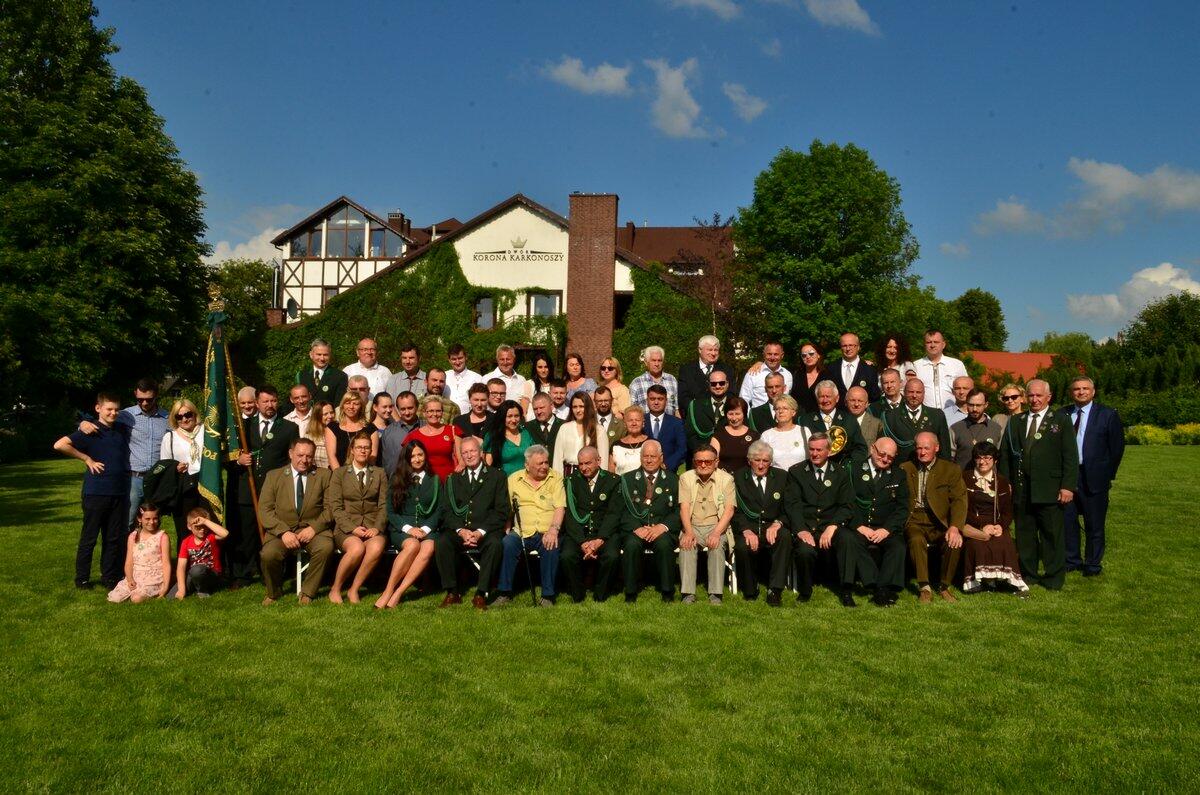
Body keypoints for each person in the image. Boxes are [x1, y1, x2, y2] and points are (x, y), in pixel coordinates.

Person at [998, 379, 1078, 590]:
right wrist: (1006, 483)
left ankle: (1053, 577)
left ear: (1048, 397)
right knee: (1025, 535)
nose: (1034, 399)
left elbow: (1070, 456)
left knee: (1052, 535)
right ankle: (1029, 574)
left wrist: (1067, 486)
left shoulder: (1061, 420)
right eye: (1031, 395)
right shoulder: (1016, 421)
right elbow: (1005, 455)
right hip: (1021, 489)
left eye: (1039, 395)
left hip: (1050, 488)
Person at [55, 391, 132, 589]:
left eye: (116, 410)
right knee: (89, 538)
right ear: (98, 408)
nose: (113, 413)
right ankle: (82, 579)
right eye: (109, 409)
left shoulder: (121, 429)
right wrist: (86, 458)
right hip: (96, 492)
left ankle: (109, 577)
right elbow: (60, 445)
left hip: (119, 492)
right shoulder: (90, 430)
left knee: (113, 538)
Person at [232, 386, 299, 588]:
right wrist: (238, 460)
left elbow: (291, 458)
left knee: (273, 531)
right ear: (257, 403)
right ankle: (244, 574)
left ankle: (271, 570)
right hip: (248, 487)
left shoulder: (289, 427)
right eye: (265, 401)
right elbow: (230, 453)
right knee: (247, 532)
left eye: (273, 401)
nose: (270, 405)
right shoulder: (243, 426)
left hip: (275, 489)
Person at [1059, 375, 1125, 577]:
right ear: (1071, 393)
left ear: (1093, 391)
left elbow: (1116, 448)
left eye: (1085, 388)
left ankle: (1092, 563)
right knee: (1068, 521)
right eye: (1077, 389)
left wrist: (1106, 474)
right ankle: (1072, 560)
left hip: (1095, 477)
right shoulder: (1062, 414)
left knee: (1094, 523)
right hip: (1068, 476)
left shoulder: (1107, 415)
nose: (1081, 392)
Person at [258, 437, 334, 605]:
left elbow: (331, 508)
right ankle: (273, 592)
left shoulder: (324, 475)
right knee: (268, 554)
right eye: (300, 455)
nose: (304, 460)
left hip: (314, 529)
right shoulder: (274, 476)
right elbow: (265, 510)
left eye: (309, 456)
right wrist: (283, 532)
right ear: (291, 453)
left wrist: (314, 528)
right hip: (282, 530)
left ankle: (308, 592)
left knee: (325, 547)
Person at [435, 436, 508, 609]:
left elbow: (501, 511)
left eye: (473, 451)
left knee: (495, 544)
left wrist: (479, 532)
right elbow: (446, 510)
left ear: (481, 452)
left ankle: (481, 593)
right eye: (465, 452)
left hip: (486, 530)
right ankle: (452, 592)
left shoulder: (497, 476)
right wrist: (461, 531)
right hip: (461, 530)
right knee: (442, 541)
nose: (469, 455)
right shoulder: (453, 479)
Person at [784, 433, 854, 604]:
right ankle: (805, 591)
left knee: (848, 539)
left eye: (819, 450)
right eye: (811, 449)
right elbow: (792, 504)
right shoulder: (796, 472)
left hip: (830, 526)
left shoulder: (840, 473)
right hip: (807, 525)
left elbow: (847, 505)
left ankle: (846, 590)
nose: (814, 454)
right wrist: (801, 529)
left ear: (829, 451)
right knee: (805, 551)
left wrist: (833, 526)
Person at [902, 431, 968, 604]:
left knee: (954, 542)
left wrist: (954, 527)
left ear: (937, 448)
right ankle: (924, 587)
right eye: (919, 448)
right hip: (914, 519)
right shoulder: (906, 468)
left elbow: (959, 500)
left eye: (926, 448)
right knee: (916, 540)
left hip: (940, 521)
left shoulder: (950, 469)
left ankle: (944, 586)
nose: (922, 452)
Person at [377, 440, 444, 608]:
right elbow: (391, 511)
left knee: (428, 547)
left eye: (420, 454)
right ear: (406, 459)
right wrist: (409, 529)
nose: (417, 459)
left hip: (429, 527)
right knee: (413, 545)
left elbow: (440, 509)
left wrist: (426, 528)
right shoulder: (396, 478)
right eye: (413, 456)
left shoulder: (435, 479)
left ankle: (399, 592)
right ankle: (388, 591)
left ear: (425, 456)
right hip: (402, 528)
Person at [843, 438, 909, 607]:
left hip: (884, 528)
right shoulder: (853, 469)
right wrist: (859, 526)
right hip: (860, 526)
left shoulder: (898, 475)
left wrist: (887, 529)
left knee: (898, 546)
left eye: (890, 457)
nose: (885, 459)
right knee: (852, 541)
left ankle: (881, 588)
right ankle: (876, 584)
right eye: (882, 454)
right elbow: (846, 502)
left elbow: (902, 508)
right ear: (873, 449)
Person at [495, 445, 564, 606]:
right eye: (539, 464)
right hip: (521, 531)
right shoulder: (514, 479)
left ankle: (548, 595)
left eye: (546, 462)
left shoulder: (555, 478)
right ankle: (504, 593)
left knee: (551, 545)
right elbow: (508, 508)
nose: (544, 467)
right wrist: (506, 527)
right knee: (507, 543)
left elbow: (560, 507)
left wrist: (553, 530)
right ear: (527, 465)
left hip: (546, 530)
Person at [328, 431, 389, 604]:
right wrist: (352, 528)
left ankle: (354, 589)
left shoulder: (379, 473)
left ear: (371, 450)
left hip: (372, 526)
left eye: (366, 447)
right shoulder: (339, 474)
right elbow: (336, 507)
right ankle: (336, 588)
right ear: (352, 450)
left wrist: (377, 527)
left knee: (376, 547)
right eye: (359, 447)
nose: (363, 450)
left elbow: (384, 505)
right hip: (347, 528)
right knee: (356, 549)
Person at [961, 442, 1028, 594]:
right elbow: (962, 509)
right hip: (973, 523)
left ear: (995, 460)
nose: (982, 461)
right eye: (978, 458)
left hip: (996, 523)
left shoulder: (1002, 481)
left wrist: (1000, 526)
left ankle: (1004, 581)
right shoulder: (964, 479)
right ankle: (979, 581)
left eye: (987, 458)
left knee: (1005, 543)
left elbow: (1007, 511)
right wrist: (981, 525)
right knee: (977, 545)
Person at [618, 440, 681, 602]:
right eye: (645, 456)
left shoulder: (674, 480)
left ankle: (667, 592)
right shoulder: (627, 479)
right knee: (631, 545)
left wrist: (663, 526)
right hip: (636, 529)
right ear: (640, 457)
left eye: (653, 456)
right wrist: (636, 527)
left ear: (661, 457)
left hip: (661, 529)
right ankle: (630, 592)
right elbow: (621, 510)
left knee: (664, 545)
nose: (649, 460)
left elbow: (678, 511)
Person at [559, 446, 622, 602]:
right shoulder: (571, 481)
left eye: (588, 463)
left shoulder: (613, 481)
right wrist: (582, 542)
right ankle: (577, 594)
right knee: (567, 556)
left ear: (598, 461)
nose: (584, 468)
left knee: (612, 556)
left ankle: (601, 594)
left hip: (604, 532)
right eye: (580, 464)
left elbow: (614, 514)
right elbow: (570, 515)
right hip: (579, 533)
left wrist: (600, 539)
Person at [732, 441, 792, 606]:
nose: (761, 465)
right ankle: (751, 588)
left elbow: (790, 506)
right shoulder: (738, 477)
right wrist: (746, 530)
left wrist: (778, 523)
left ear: (771, 462)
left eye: (765, 461)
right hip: (749, 526)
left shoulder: (782, 477)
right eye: (757, 460)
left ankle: (775, 589)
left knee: (784, 537)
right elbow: (734, 510)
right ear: (749, 460)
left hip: (772, 525)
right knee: (742, 546)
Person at [678, 445, 736, 605]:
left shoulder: (727, 479)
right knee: (686, 544)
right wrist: (688, 532)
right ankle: (687, 593)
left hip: (716, 525)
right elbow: (684, 508)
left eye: (708, 461)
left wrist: (716, 533)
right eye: (699, 461)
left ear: (716, 462)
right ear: (694, 462)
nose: (703, 465)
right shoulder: (685, 478)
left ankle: (715, 593)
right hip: (693, 524)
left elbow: (729, 510)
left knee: (716, 546)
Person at [159, 398, 203, 549]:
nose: (184, 419)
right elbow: (164, 466)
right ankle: (184, 561)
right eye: (179, 416)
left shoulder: (206, 432)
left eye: (188, 415)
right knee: (185, 530)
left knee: (207, 528)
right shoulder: (170, 437)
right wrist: (175, 468)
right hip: (183, 488)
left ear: (194, 414)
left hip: (205, 484)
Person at [107, 503, 171, 603]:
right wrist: (129, 579)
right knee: (114, 598)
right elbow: (129, 562)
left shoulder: (162, 537)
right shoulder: (133, 537)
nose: (151, 522)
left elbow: (166, 564)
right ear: (139, 519)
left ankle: (144, 593)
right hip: (136, 575)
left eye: (155, 518)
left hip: (153, 577)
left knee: (136, 598)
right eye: (147, 519)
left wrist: (165, 586)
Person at [799, 380, 867, 471]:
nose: (825, 400)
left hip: (842, 471)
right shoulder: (805, 420)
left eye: (828, 396)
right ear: (816, 398)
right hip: (814, 470)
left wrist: (848, 465)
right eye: (821, 396)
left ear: (837, 398)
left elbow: (860, 449)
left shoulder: (849, 420)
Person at [882, 379, 952, 464]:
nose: (914, 396)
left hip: (931, 468)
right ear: (904, 393)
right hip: (901, 467)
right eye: (911, 392)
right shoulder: (890, 416)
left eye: (918, 392)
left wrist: (945, 468)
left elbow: (945, 449)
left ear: (924, 394)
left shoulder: (936, 415)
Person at [170, 506, 228, 599]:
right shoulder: (186, 542)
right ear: (189, 527)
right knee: (171, 596)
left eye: (204, 527)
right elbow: (181, 567)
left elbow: (225, 534)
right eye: (198, 527)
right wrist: (181, 589)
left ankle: (203, 590)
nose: (202, 530)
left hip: (212, 576)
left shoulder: (211, 537)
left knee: (197, 570)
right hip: (194, 575)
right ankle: (195, 588)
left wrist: (205, 521)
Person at [402, 395, 462, 481]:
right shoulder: (413, 435)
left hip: (450, 480)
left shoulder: (453, 430)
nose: (434, 414)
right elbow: (405, 461)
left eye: (438, 411)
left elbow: (461, 460)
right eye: (430, 411)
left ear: (442, 412)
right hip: (424, 482)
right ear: (424, 413)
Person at [678, 335, 735, 416]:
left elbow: (732, 394)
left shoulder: (727, 370)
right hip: (695, 416)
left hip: (721, 416)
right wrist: (699, 411)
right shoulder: (687, 370)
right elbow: (683, 397)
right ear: (700, 350)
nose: (713, 353)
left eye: (716, 350)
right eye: (710, 350)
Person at [552, 392, 606, 475]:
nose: (578, 410)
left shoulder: (599, 430)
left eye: (581, 406)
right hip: (568, 475)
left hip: (590, 475)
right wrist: (558, 481)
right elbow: (557, 460)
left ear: (588, 407)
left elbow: (603, 462)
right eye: (574, 407)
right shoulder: (564, 428)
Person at [913, 330, 968, 410]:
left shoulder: (957, 365)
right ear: (924, 345)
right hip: (926, 414)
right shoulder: (916, 366)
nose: (932, 345)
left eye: (936, 342)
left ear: (943, 344)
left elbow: (968, 390)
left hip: (953, 413)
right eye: (929, 342)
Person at [950, 388, 1004, 468]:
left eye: (978, 405)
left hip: (989, 475)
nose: (974, 409)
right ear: (966, 404)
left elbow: (1002, 458)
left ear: (986, 405)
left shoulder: (996, 429)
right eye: (971, 405)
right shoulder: (955, 429)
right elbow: (949, 459)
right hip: (962, 475)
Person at [823, 332, 881, 404]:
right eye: (844, 346)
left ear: (858, 347)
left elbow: (875, 397)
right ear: (841, 347)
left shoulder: (870, 370)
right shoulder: (830, 368)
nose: (848, 348)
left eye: (851, 345)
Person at [684, 367, 730, 455]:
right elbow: (690, 435)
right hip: (702, 457)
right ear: (708, 384)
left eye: (721, 383)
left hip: (728, 457)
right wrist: (704, 454)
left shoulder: (735, 405)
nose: (717, 386)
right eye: (713, 384)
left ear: (727, 384)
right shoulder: (696, 406)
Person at [325, 390, 375, 469]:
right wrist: (340, 475)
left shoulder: (371, 429)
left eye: (355, 404)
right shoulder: (332, 428)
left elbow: (372, 458)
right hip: (338, 473)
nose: (351, 407)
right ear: (342, 405)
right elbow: (331, 457)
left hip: (364, 473)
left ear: (361, 406)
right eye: (348, 403)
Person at [759, 395, 809, 471]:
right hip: (777, 477)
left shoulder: (804, 431)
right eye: (777, 409)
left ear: (793, 412)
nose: (780, 411)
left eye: (785, 408)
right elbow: (762, 462)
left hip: (801, 476)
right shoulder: (767, 435)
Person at [484, 400, 533, 476]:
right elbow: (487, 465)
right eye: (509, 416)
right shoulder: (493, 436)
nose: (513, 420)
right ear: (502, 417)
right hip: (504, 480)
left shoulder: (526, 433)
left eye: (516, 416)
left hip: (527, 480)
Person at [644, 385, 687, 471]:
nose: (656, 402)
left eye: (660, 399)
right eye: (652, 399)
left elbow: (682, 449)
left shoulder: (677, 423)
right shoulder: (641, 421)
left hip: (668, 471)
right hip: (643, 470)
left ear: (666, 401)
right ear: (647, 401)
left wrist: (666, 465)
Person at [739, 341, 792, 409]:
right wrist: (751, 415)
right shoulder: (753, 374)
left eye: (776, 354)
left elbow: (788, 400)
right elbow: (743, 400)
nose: (772, 358)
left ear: (782, 355)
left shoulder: (788, 375)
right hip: (758, 415)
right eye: (769, 354)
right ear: (764, 354)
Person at [629, 345, 680, 416]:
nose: (657, 364)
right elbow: (632, 411)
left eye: (659, 360)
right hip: (646, 422)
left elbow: (677, 409)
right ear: (646, 362)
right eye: (653, 360)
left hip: (669, 422)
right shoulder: (636, 383)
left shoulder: (672, 380)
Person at [711, 397, 757, 473]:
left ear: (744, 414)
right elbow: (713, 460)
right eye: (731, 414)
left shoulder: (754, 436)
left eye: (738, 414)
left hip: (746, 477)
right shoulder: (718, 435)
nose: (734, 418)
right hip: (723, 476)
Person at [297, 337, 348, 405]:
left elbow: (339, 405)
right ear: (311, 355)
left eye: (325, 355)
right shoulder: (302, 375)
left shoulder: (340, 376)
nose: (322, 358)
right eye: (319, 354)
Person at [484, 344, 529, 414]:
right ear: (497, 360)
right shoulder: (487, 378)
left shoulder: (521, 380)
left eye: (508, 359)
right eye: (502, 359)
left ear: (514, 360)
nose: (505, 362)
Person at [525, 393, 565, 461]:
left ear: (551, 406)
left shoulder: (563, 425)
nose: (538, 412)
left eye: (542, 408)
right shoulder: (528, 427)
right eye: (535, 409)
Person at [445, 344, 483, 415]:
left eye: (460, 358)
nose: (457, 362)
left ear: (466, 357)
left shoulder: (477, 378)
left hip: (469, 419)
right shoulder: (444, 376)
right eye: (454, 359)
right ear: (449, 360)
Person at [610, 405, 648, 475]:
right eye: (630, 420)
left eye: (637, 420)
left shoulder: (650, 443)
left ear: (643, 423)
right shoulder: (616, 446)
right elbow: (611, 474)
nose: (634, 423)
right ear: (625, 424)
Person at [789, 342, 825, 414]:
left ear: (818, 355)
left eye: (811, 354)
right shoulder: (796, 375)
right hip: (799, 417)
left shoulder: (827, 375)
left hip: (820, 416)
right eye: (804, 355)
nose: (808, 357)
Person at [522, 353, 555, 419]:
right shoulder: (529, 384)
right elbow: (524, 412)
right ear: (535, 368)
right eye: (540, 367)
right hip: (533, 422)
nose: (543, 370)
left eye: (546, 367)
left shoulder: (555, 384)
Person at [308, 401, 335, 469]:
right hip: (317, 472)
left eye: (331, 412)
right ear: (317, 416)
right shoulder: (310, 435)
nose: (330, 416)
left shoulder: (339, 431)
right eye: (325, 414)